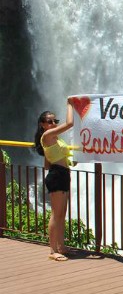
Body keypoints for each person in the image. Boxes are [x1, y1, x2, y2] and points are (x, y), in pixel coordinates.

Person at [34, 101, 75, 261]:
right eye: (49, 121)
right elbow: (70, 123)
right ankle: (52, 250)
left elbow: (47, 163)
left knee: (62, 213)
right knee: (56, 214)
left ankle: (61, 246)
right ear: (42, 124)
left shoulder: (54, 138)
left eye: (54, 121)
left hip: (62, 173)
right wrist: (70, 104)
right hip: (57, 175)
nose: (52, 124)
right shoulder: (47, 135)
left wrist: (67, 161)